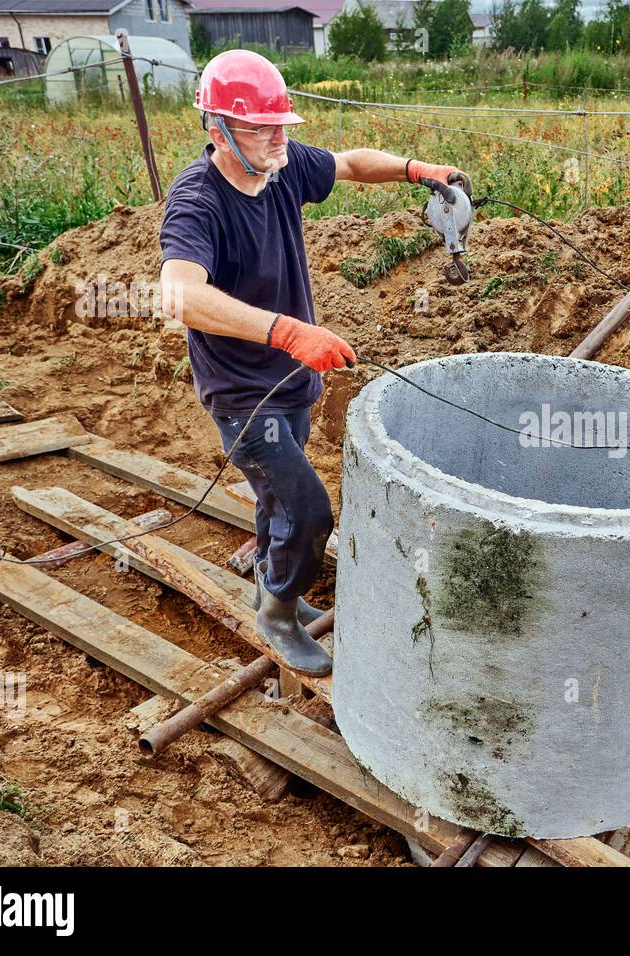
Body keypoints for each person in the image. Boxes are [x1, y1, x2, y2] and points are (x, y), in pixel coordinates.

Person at [159, 49, 462, 677]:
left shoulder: (283, 165)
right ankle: (276, 613)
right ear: (218, 130)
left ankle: (271, 574)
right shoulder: (198, 201)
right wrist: (289, 332)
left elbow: (350, 164)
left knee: (278, 495)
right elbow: (180, 295)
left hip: (293, 381)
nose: (279, 138)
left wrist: (416, 169)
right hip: (244, 393)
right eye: (261, 127)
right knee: (309, 509)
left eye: (282, 125)